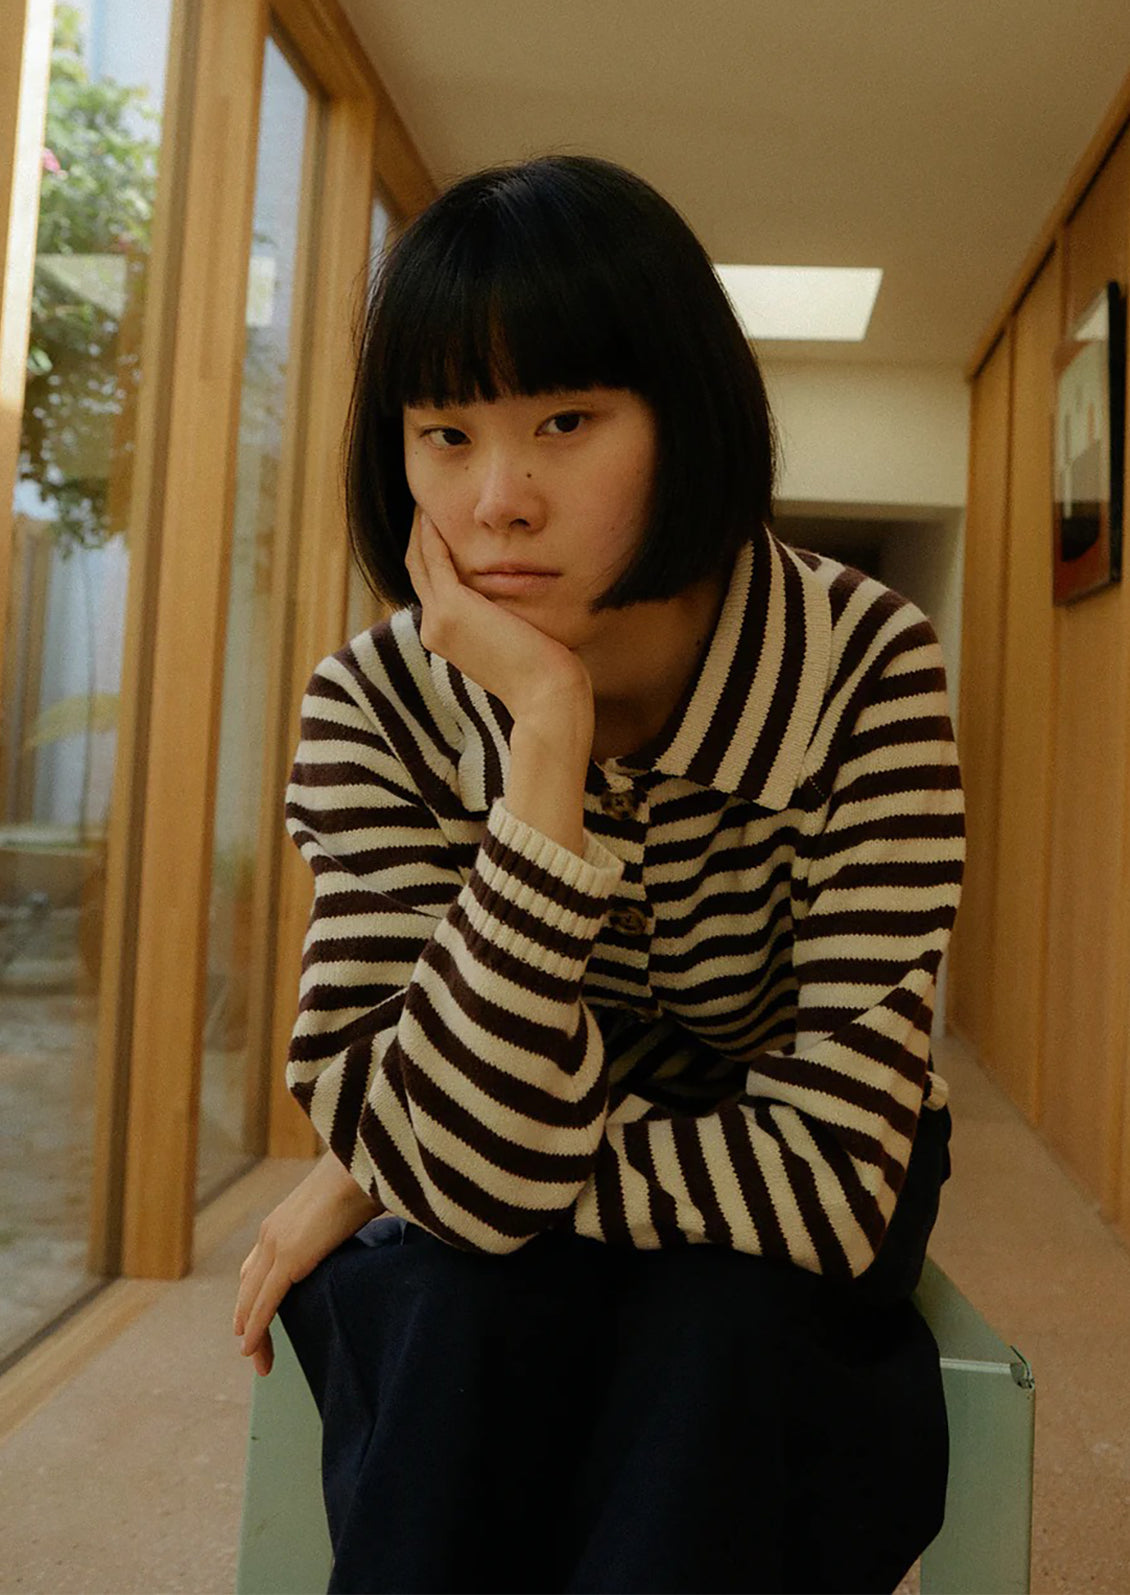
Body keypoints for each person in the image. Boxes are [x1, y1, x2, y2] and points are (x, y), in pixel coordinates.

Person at [233, 154, 965, 1595]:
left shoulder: (864, 664)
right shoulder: (372, 702)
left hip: (786, 1177)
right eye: (443, 434)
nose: (497, 501)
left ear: (681, 415)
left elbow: (823, 1180)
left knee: (723, 1332)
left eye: (565, 421)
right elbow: (448, 1174)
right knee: (449, 1305)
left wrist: (377, 1170)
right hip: (519, 1150)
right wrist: (546, 747)